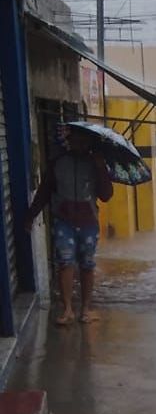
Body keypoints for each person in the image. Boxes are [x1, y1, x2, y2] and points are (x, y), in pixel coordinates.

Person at [24, 129, 113, 326]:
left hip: (89, 223)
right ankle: (67, 309)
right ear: (69, 141)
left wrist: (100, 168)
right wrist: (30, 216)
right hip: (64, 221)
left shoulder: (95, 163)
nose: (79, 144)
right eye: (75, 140)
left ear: (88, 142)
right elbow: (44, 192)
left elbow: (106, 195)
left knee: (87, 265)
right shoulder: (58, 163)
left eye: (83, 140)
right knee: (65, 263)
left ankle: (86, 309)